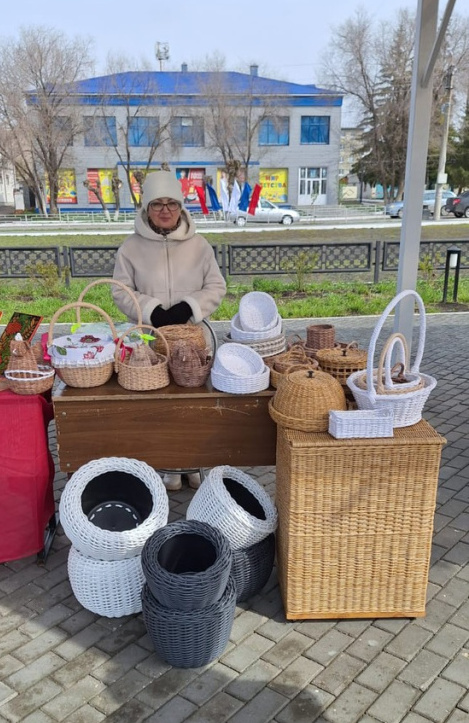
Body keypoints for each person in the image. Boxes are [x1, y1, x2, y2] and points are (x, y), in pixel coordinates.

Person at [112, 169, 226, 491]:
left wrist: (189, 307)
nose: (165, 210)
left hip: (193, 337)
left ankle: (196, 462)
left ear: (181, 206)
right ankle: (170, 466)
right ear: (146, 208)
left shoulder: (199, 246)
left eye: (172, 203)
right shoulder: (131, 248)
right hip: (150, 341)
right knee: (160, 406)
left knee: (194, 405)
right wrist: (150, 310)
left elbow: (216, 286)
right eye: (157, 204)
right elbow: (120, 290)